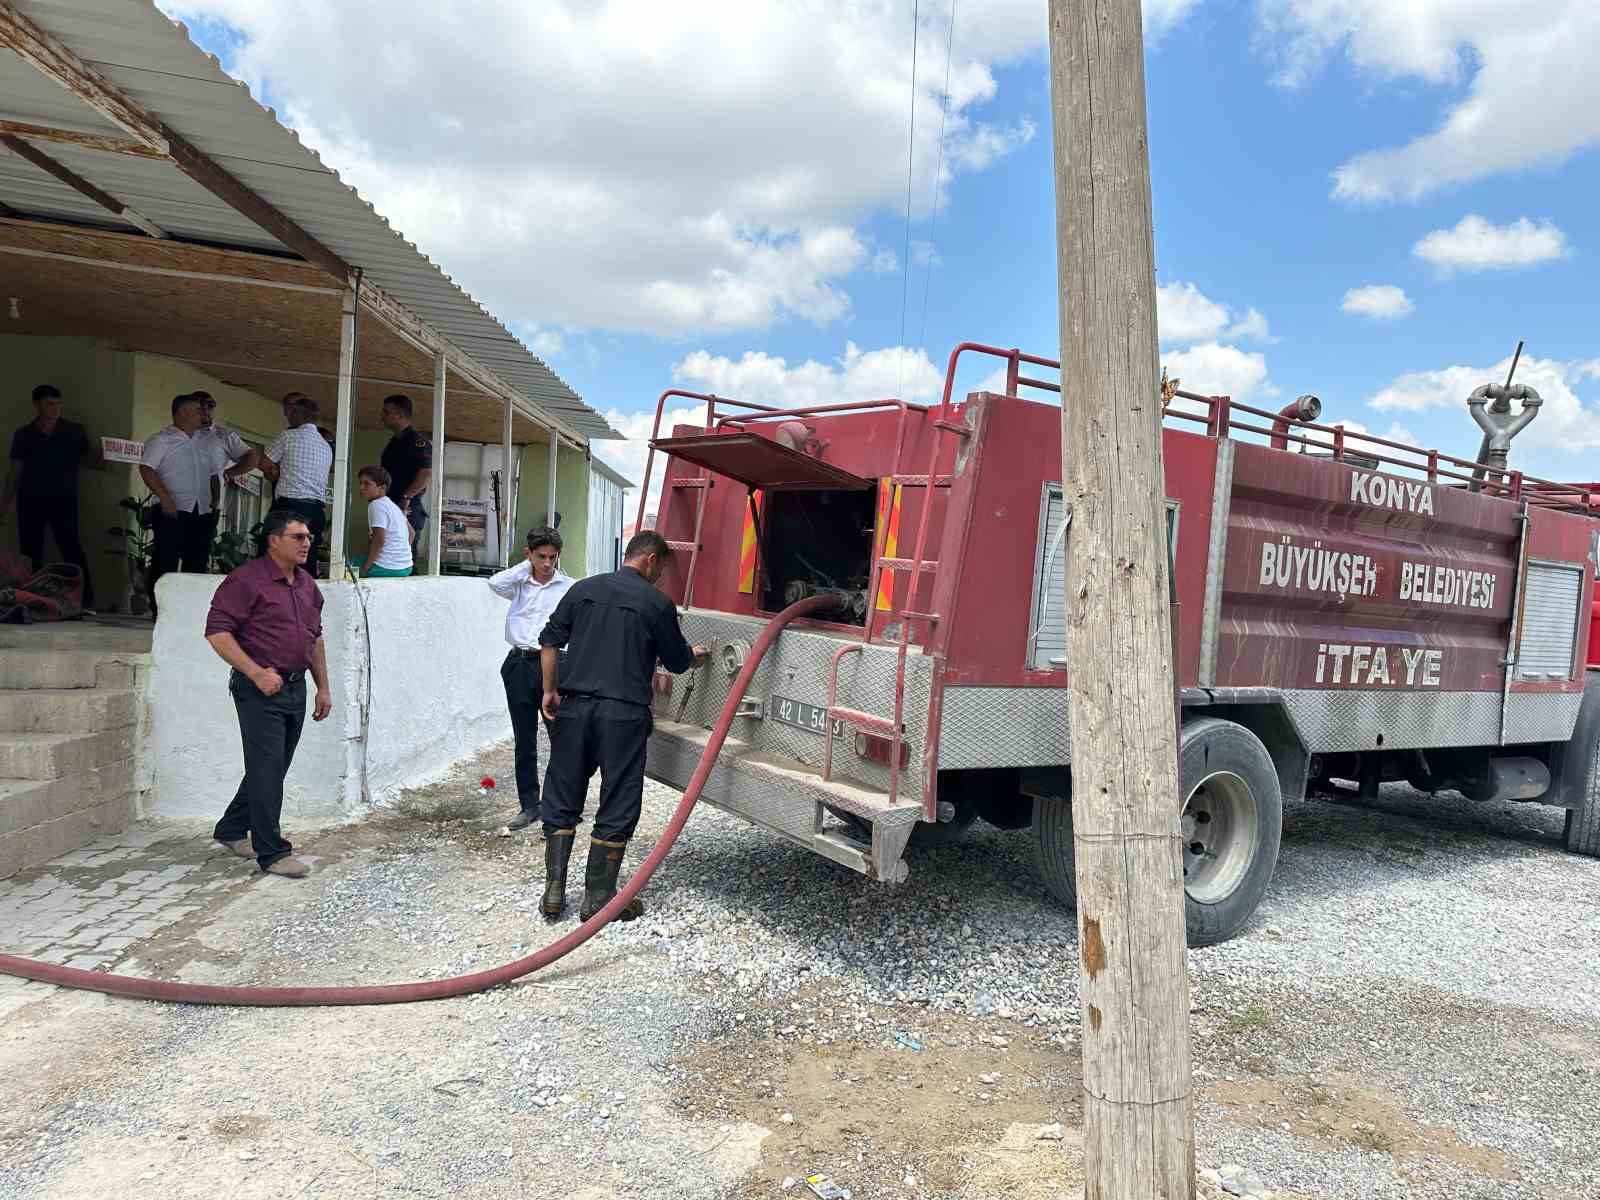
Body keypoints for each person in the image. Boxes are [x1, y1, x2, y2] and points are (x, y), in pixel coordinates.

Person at [536, 530, 709, 920]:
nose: (660, 576)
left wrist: (550, 691)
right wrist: (696, 655)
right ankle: (598, 897)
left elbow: (549, 641)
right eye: (661, 568)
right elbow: (677, 662)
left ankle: (554, 891)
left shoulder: (583, 589)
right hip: (623, 716)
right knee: (618, 799)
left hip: (575, 708)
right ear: (651, 561)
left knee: (562, 794)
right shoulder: (657, 603)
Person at [203, 509, 332, 878]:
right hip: (259, 690)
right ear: (274, 540)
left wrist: (323, 686)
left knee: (273, 767)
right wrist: (256, 672)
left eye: (308, 537)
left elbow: (315, 638)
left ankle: (231, 828)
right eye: (298, 537)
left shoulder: (307, 584)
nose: (307, 542)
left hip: (295, 687)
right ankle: (273, 852)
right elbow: (217, 633)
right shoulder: (246, 580)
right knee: (268, 768)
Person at [488, 526, 574, 840]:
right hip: (519, 663)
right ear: (530, 555)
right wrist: (527, 568)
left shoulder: (568, 587)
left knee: (560, 737)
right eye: (541, 557)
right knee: (524, 739)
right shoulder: (519, 583)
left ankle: (558, 807)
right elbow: (494, 583)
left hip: (554, 664)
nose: (548, 563)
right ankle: (529, 805)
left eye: (553, 557)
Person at [1, 384, 98, 609]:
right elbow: (15, 471)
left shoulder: (73, 430)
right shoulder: (24, 434)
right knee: (30, 551)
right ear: (37, 405)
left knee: (71, 549)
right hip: (30, 499)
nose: (55, 409)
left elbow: (90, 459)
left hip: (63, 499)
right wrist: (5, 503)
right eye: (49, 404)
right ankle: (33, 601)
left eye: (58, 404)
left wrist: (113, 455)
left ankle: (85, 600)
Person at [140, 395, 220, 615]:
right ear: (182, 413)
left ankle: (188, 614)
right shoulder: (161, 440)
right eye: (198, 410)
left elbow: (213, 474)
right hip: (171, 510)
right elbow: (147, 469)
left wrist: (215, 500)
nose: (203, 415)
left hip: (201, 510)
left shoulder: (205, 442)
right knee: (165, 562)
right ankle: (161, 612)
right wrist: (165, 498)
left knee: (196, 565)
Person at [259, 392, 332, 574]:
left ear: (298, 415)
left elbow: (264, 463)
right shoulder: (325, 446)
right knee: (306, 558)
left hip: (289, 507)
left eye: (291, 413)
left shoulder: (288, 436)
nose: (288, 417)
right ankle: (303, 599)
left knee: (271, 557)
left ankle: (270, 598)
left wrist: (276, 475)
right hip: (316, 511)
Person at [193, 390, 260, 533]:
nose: (206, 411)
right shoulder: (182, 433)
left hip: (209, 504)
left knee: (198, 553)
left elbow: (252, 458)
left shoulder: (223, 435)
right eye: (201, 407)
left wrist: (229, 472)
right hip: (178, 502)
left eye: (210, 406)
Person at [379, 394, 432, 553]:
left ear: (400, 415)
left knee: (404, 556)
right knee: (388, 554)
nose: (382, 416)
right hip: (392, 504)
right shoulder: (394, 442)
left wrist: (407, 497)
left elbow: (426, 472)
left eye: (386, 412)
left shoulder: (417, 441)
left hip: (407, 507)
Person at [347, 466, 414, 578]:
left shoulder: (376, 505)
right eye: (360, 483)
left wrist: (365, 568)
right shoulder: (393, 506)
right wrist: (401, 557)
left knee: (343, 568)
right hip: (406, 567)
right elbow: (411, 533)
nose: (361, 487)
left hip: (387, 567)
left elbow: (379, 540)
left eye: (367, 484)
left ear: (382, 487)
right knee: (360, 559)